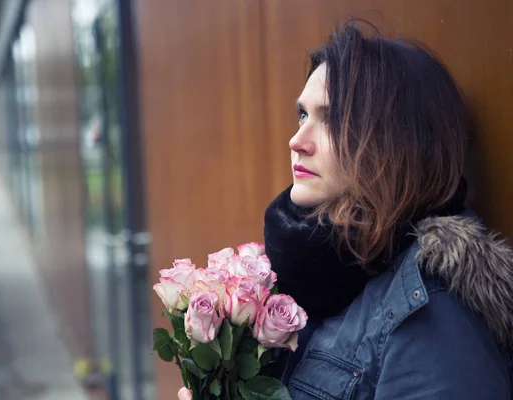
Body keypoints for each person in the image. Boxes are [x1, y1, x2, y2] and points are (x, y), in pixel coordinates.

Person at [180, 21, 513, 399]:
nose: (297, 141)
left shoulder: (431, 311)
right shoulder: (304, 274)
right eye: (302, 115)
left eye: (333, 120)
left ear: (398, 141)